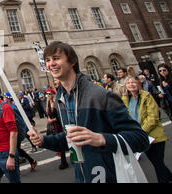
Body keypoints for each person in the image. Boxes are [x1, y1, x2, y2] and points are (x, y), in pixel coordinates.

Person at [28, 41, 149, 183]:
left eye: (56, 58)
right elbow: (71, 138)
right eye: (48, 60)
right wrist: (43, 141)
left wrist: (101, 139)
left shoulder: (101, 95)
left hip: (109, 175)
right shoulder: (62, 99)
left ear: (72, 61)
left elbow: (140, 139)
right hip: (83, 175)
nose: (51, 64)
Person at [122, 76, 172, 183]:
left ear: (137, 84)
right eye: (128, 83)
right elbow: (126, 117)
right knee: (157, 163)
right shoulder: (126, 100)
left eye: (133, 82)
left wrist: (141, 131)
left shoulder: (146, 96)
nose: (131, 85)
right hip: (141, 137)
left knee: (158, 163)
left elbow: (153, 117)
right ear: (126, 87)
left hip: (154, 135)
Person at [4, 92, 37, 171]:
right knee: (16, 149)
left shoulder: (11, 108)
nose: (3, 99)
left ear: (7, 99)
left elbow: (18, 120)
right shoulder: (12, 106)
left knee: (14, 149)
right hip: (18, 130)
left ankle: (18, 169)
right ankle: (31, 161)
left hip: (17, 131)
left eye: (5, 97)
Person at [45, 87, 68, 170]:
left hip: (58, 125)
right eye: (46, 94)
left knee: (62, 141)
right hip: (53, 125)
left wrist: (53, 119)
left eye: (49, 94)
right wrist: (49, 119)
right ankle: (62, 157)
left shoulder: (55, 103)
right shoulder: (47, 103)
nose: (47, 95)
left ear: (52, 94)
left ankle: (64, 161)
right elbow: (48, 114)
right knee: (57, 142)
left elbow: (60, 115)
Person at [157, 63, 172, 130]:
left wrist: (167, 86)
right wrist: (160, 94)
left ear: (168, 70)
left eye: (164, 70)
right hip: (169, 105)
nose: (162, 72)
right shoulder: (161, 81)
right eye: (160, 71)